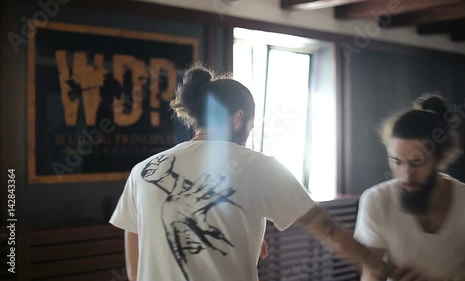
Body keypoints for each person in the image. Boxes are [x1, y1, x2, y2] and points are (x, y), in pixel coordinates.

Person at [109, 65, 388, 281]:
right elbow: (330, 233)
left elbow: (136, 271)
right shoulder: (260, 166)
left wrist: (240, 238)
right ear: (239, 118)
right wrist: (382, 267)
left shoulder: (143, 171)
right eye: (251, 128)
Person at [354, 94, 465, 281]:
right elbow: (371, 273)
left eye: (417, 162)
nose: (406, 175)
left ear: (443, 157)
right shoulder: (376, 201)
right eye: (397, 162)